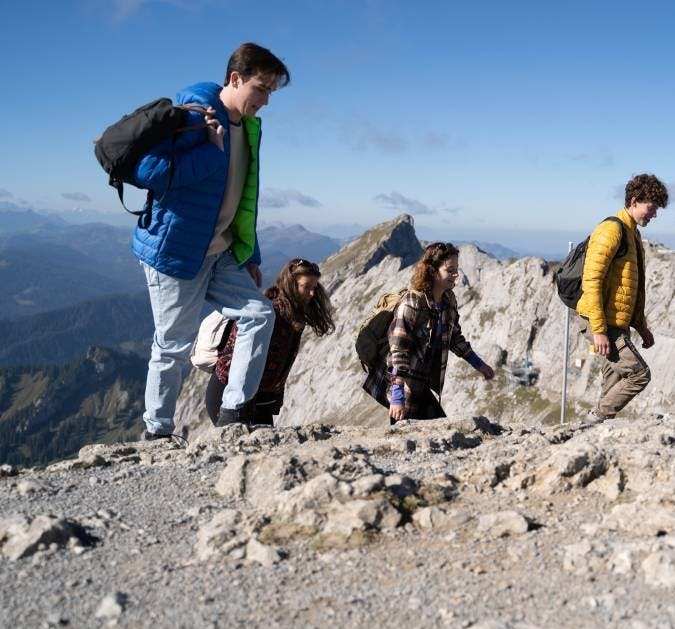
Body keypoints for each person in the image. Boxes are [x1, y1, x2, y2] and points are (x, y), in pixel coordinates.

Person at [131, 43, 290, 437]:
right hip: (177, 253)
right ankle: (157, 431)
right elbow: (147, 171)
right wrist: (211, 154)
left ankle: (235, 412)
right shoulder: (194, 114)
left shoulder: (248, 126)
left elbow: (244, 193)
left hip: (219, 253)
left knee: (259, 314)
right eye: (262, 88)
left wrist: (250, 252)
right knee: (172, 344)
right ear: (235, 79)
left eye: (271, 91)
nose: (266, 100)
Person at [363, 242, 495, 423]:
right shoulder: (413, 302)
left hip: (421, 384)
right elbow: (398, 349)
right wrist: (397, 395)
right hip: (402, 383)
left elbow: (455, 338)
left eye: (456, 269)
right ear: (433, 271)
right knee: (411, 434)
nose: (456, 275)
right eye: (450, 270)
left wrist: (480, 365)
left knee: (435, 428)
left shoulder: (448, 300)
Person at [576, 173, 669, 422]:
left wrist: (640, 326)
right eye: (652, 207)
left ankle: (594, 431)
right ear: (635, 200)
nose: (655, 214)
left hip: (617, 324)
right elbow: (591, 281)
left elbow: (631, 287)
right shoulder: (611, 230)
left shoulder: (632, 233)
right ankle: (595, 417)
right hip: (602, 323)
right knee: (639, 375)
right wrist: (598, 331)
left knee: (613, 382)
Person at [206, 258, 335, 426]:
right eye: (306, 287)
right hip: (228, 392)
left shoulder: (292, 315)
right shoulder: (270, 313)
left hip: (257, 398)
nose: (312, 294)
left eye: (314, 288)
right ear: (291, 284)